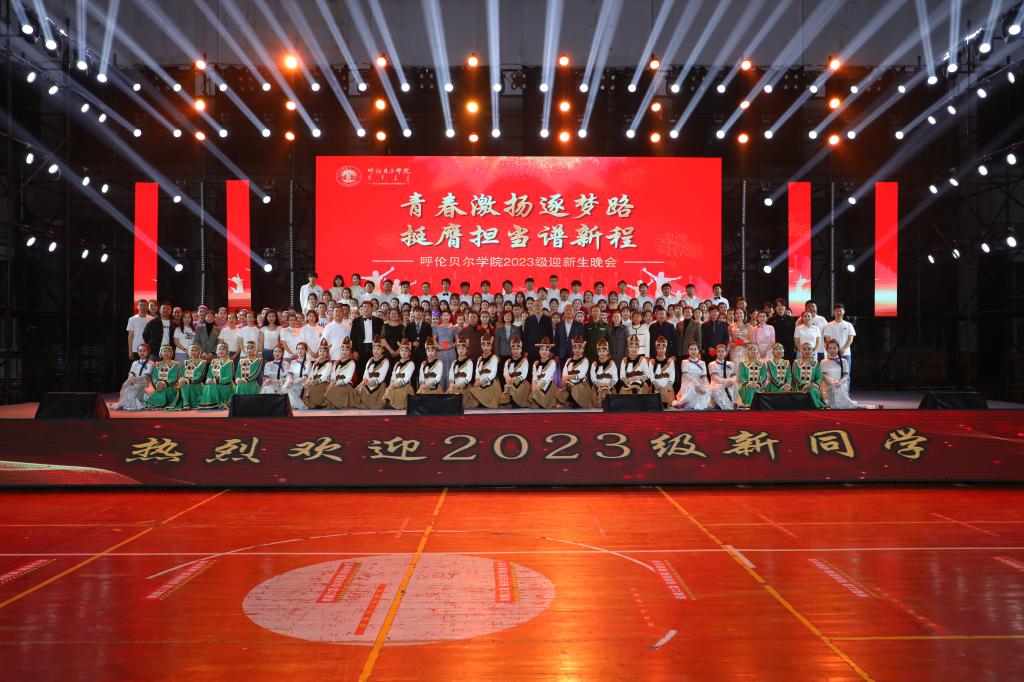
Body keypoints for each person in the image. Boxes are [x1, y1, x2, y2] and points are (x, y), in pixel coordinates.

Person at [465, 334, 502, 409]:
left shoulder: (494, 358)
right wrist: (477, 381)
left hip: (491, 384)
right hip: (480, 383)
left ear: (491, 347)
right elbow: (477, 372)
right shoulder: (479, 359)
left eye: (488, 346)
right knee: (470, 391)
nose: (486, 348)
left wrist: (481, 382)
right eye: (484, 345)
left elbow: (493, 374)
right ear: (481, 346)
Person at [350, 301, 385, 376]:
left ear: (372, 308)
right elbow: (353, 337)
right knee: (361, 370)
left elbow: (382, 337)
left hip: (374, 348)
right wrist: (354, 351)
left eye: (368, 307)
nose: (366, 309)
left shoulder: (379, 321)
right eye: (364, 307)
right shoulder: (356, 321)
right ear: (361, 309)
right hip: (360, 348)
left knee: (374, 369)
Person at [673, 343, 711, 410]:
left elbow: (704, 377)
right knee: (692, 386)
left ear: (698, 351)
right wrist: (696, 384)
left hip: (700, 383)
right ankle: (685, 402)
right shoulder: (684, 362)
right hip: (688, 383)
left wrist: (705, 386)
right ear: (688, 351)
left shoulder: (702, 363)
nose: (693, 351)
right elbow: (685, 375)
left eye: (695, 349)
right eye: (691, 349)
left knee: (707, 389)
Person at [821, 339, 858, 409]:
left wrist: (840, 382)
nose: (832, 350)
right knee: (834, 388)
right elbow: (824, 376)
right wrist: (833, 382)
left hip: (840, 384)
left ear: (838, 349)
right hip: (828, 385)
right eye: (830, 348)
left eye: (834, 348)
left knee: (839, 388)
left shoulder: (844, 361)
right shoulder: (823, 362)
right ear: (827, 350)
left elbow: (846, 375)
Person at [556, 336, 592, 408]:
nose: (577, 350)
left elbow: (581, 375)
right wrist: (566, 380)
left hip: (581, 384)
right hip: (568, 383)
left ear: (582, 349)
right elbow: (564, 373)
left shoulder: (585, 360)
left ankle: (576, 403)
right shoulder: (569, 360)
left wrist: (569, 378)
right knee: (560, 392)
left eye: (579, 348)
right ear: (572, 349)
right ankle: (568, 402)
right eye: (575, 348)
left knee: (574, 388)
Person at [198, 341, 234, 409]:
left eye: (223, 349)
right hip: (213, 383)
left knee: (212, 386)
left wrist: (216, 381)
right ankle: (212, 403)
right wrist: (208, 379)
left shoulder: (229, 362)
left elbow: (229, 378)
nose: (221, 351)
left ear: (227, 351)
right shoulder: (213, 361)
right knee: (208, 385)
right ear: (217, 351)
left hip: (225, 385)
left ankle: (218, 403)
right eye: (219, 349)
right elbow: (209, 373)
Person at [357, 337, 391, 409]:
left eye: (378, 349)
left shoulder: (385, 361)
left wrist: (371, 383)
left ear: (382, 350)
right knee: (359, 388)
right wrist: (364, 381)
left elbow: (382, 377)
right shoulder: (370, 360)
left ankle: (374, 403)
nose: (376, 351)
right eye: (374, 349)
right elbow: (366, 373)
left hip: (378, 383)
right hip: (368, 382)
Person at [384, 339, 416, 410]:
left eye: (406, 351)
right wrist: (392, 384)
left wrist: (396, 385)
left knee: (397, 391)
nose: (403, 353)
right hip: (395, 384)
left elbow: (406, 378)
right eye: (402, 350)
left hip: (405, 385)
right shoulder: (397, 364)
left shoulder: (411, 364)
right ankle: (392, 403)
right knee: (389, 389)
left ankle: (398, 404)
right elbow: (393, 376)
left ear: (409, 353)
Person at [118, 344, 152, 410]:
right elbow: (131, 373)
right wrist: (131, 378)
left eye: (144, 350)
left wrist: (136, 379)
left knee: (134, 387)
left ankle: (133, 404)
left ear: (148, 352)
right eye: (140, 351)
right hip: (134, 380)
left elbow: (146, 376)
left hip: (144, 382)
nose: (142, 352)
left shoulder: (150, 363)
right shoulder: (135, 362)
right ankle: (127, 402)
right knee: (125, 385)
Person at [791, 342, 825, 408]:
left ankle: (819, 406)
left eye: (809, 349)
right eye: (804, 349)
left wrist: (815, 384)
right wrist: (804, 385)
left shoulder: (815, 363)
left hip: (812, 386)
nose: (807, 351)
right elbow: (795, 376)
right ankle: (819, 406)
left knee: (813, 390)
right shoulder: (796, 362)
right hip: (799, 387)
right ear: (801, 351)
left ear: (812, 351)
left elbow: (819, 377)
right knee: (811, 391)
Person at [325, 339, 358, 408]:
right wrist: (333, 381)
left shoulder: (351, 363)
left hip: (346, 384)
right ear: (340, 351)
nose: (344, 352)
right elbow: (333, 375)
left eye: (347, 350)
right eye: (343, 350)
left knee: (338, 390)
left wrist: (338, 383)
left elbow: (348, 378)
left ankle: (340, 404)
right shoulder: (336, 362)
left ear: (350, 352)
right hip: (336, 382)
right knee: (328, 388)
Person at [824, 303, 856, 373]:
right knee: (832, 373)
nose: (838, 312)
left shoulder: (849, 325)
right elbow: (828, 339)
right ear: (833, 312)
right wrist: (835, 350)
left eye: (840, 311)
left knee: (846, 374)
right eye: (836, 311)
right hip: (832, 354)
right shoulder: (829, 325)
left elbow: (850, 339)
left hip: (845, 353)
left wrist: (843, 349)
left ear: (843, 312)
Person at [176, 343, 209, 409]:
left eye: (196, 350)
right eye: (192, 350)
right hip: (185, 383)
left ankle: (187, 403)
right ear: (188, 352)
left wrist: (187, 381)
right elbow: (182, 375)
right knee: (182, 386)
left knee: (186, 386)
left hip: (197, 384)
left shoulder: (202, 362)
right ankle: (186, 403)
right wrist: (181, 379)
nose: (193, 352)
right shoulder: (185, 362)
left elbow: (200, 377)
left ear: (199, 352)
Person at [432, 310, 459, 391]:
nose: (446, 317)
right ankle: (440, 392)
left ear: (450, 316)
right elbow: (434, 340)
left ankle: (450, 391)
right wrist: (439, 347)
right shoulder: (436, 328)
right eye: (444, 315)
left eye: (447, 315)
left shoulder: (454, 327)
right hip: (440, 353)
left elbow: (457, 341)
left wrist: (450, 346)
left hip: (451, 353)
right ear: (441, 317)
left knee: (451, 371)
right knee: (440, 371)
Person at [529, 338, 559, 408]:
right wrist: (534, 384)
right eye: (542, 349)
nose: (544, 352)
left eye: (546, 350)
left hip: (547, 385)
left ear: (549, 352)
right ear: (539, 351)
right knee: (533, 405)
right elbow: (534, 377)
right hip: (537, 386)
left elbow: (547, 376)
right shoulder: (536, 363)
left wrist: (539, 386)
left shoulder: (552, 362)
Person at [589, 338, 618, 407]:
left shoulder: (612, 363)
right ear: (597, 352)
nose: (601, 353)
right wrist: (598, 384)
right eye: (599, 351)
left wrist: (610, 385)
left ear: (607, 352)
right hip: (597, 386)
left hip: (609, 386)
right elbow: (593, 377)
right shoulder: (594, 364)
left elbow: (615, 377)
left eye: (604, 351)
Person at [708, 343, 738, 410]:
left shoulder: (730, 364)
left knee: (736, 385)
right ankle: (727, 406)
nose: (721, 353)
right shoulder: (712, 364)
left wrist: (731, 381)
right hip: (717, 384)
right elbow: (715, 378)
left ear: (726, 353)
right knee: (717, 389)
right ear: (716, 353)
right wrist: (726, 382)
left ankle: (732, 403)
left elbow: (734, 376)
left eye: (722, 351)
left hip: (729, 384)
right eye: (719, 351)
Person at [737, 343, 767, 408]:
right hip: (746, 386)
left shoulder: (762, 364)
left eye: (754, 350)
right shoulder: (743, 363)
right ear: (747, 352)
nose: (753, 351)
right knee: (751, 389)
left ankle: (751, 406)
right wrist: (748, 384)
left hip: (758, 386)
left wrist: (758, 384)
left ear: (757, 352)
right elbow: (741, 376)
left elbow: (764, 375)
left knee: (755, 390)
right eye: (750, 350)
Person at [283, 341, 311, 411]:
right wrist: (289, 380)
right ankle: (290, 406)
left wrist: (293, 382)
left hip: (301, 385)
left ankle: (301, 406)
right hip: (292, 383)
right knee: (284, 387)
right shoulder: (293, 362)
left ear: (306, 351)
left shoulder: (308, 363)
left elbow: (304, 377)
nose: (300, 350)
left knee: (289, 389)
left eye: (302, 349)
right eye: (298, 349)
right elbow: (289, 374)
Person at [650, 336, 676, 407]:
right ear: (656, 349)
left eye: (662, 348)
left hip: (667, 387)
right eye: (658, 348)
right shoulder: (652, 361)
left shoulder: (670, 361)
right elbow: (651, 375)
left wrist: (667, 386)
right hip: (656, 386)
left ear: (666, 349)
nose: (661, 350)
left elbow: (672, 375)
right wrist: (657, 385)